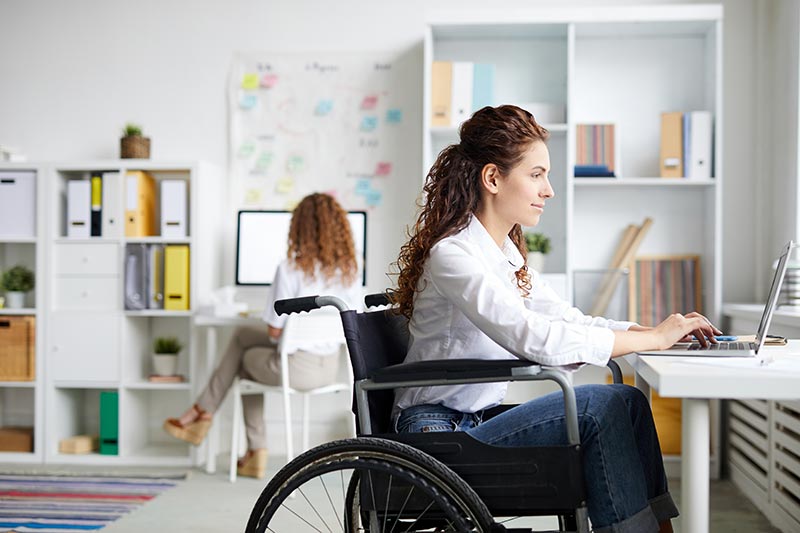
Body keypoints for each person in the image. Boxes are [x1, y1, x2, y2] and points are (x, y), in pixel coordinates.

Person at [391, 105, 721, 533]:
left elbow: (565, 318)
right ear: (493, 178)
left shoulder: (504, 256)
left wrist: (645, 331)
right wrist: (652, 341)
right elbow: (536, 339)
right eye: (536, 174)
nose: (548, 190)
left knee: (630, 401)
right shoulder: (454, 255)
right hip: (437, 434)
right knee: (604, 406)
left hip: (477, 421)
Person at [164, 193, 362, 479]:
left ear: (300, 228)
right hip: (329, 369)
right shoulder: (350, 271)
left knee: (243, 361)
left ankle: (230, 433)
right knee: (243, 334)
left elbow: (273, 330)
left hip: (295, 370)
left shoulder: (291, 268)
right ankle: (212, 421)